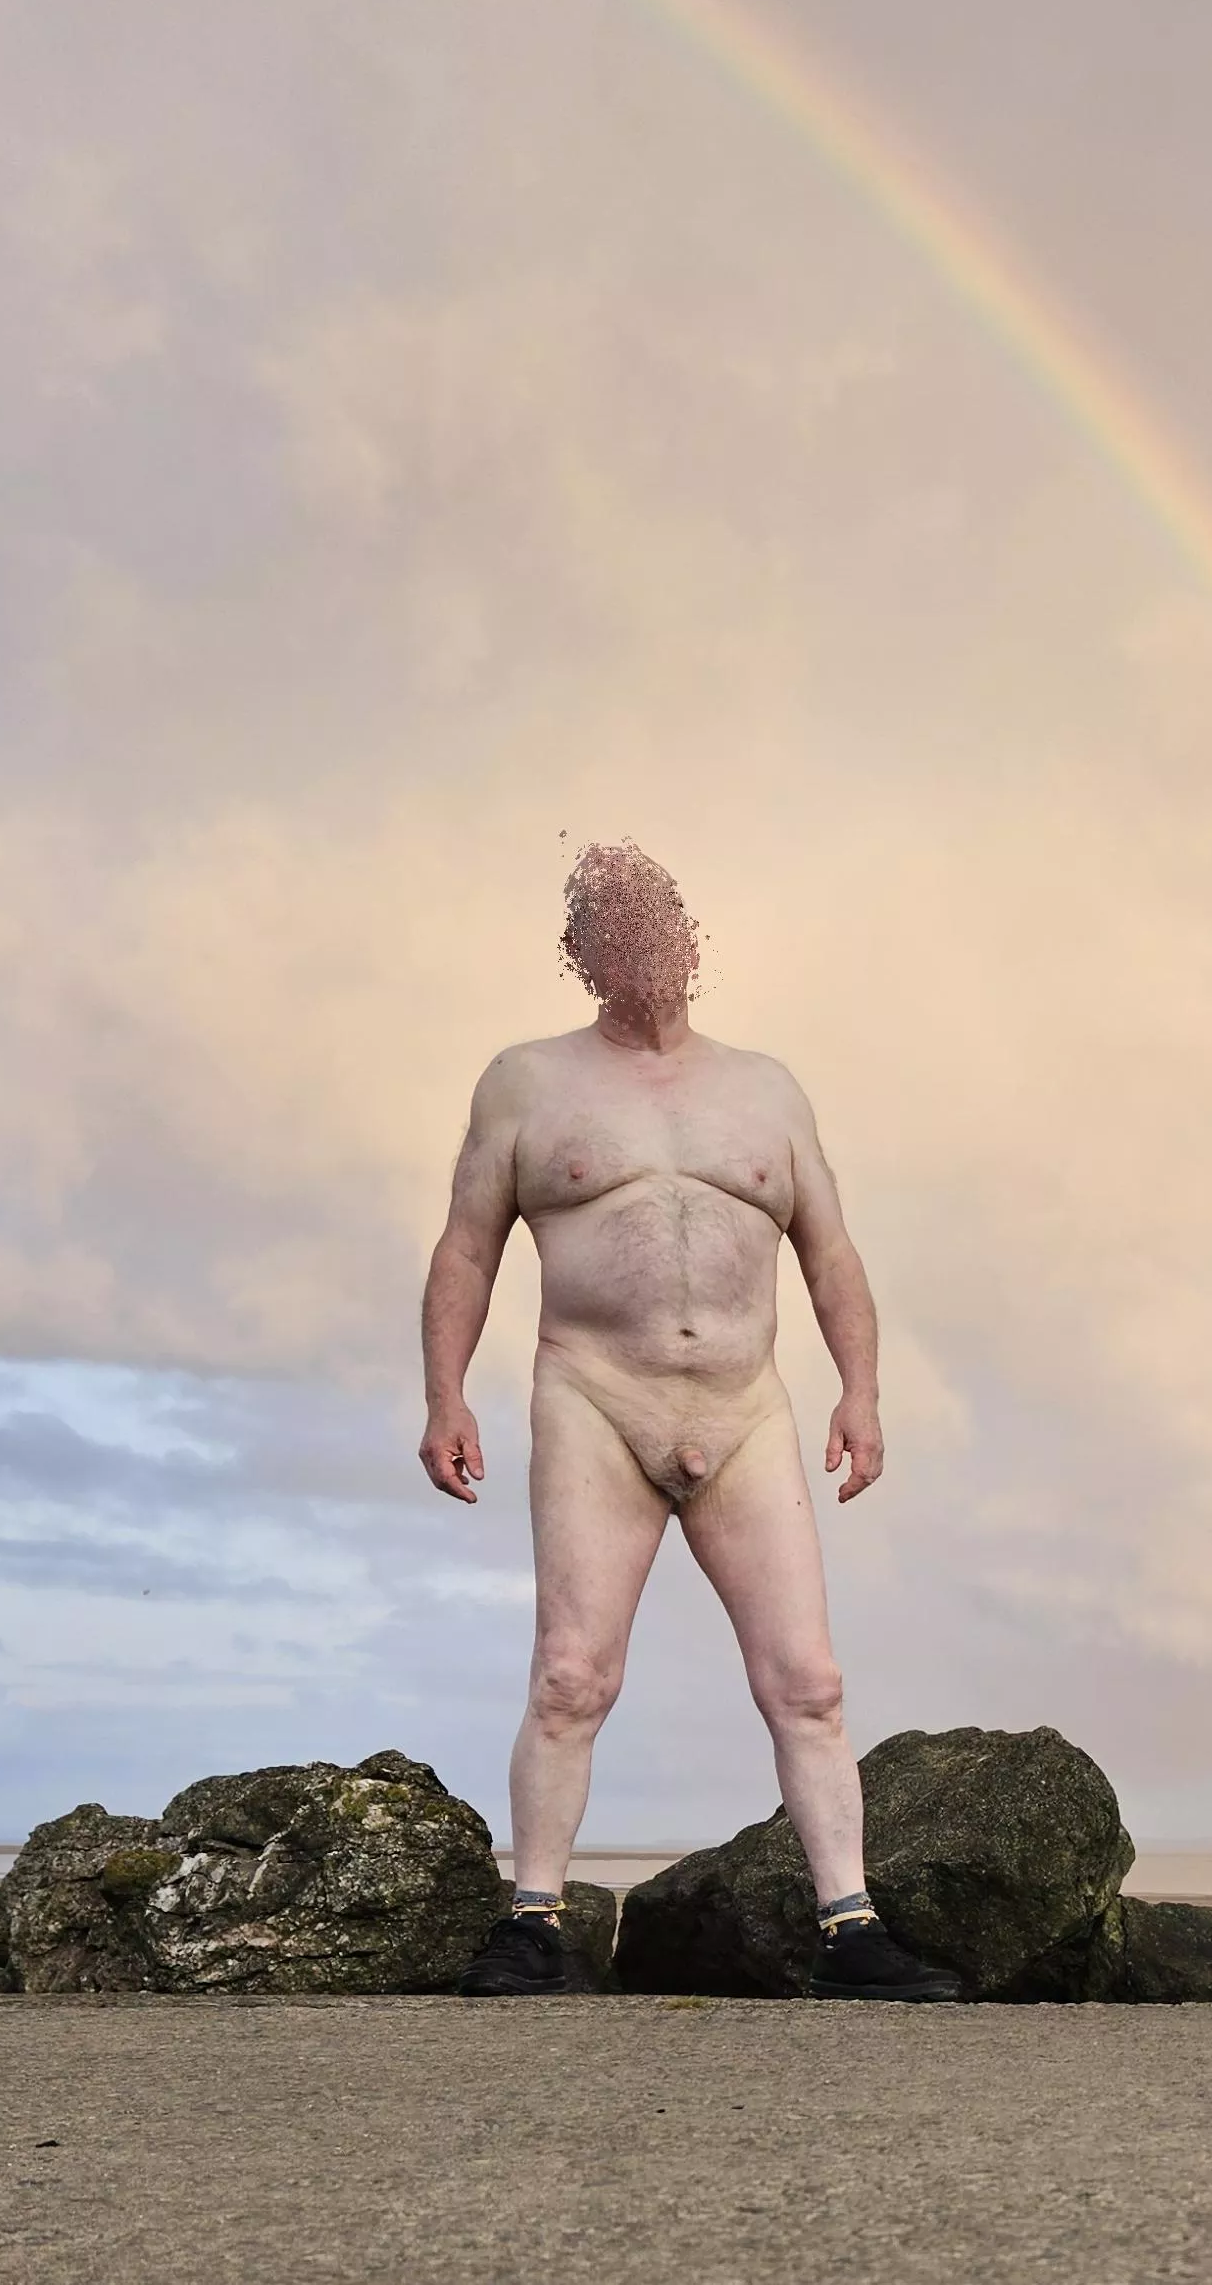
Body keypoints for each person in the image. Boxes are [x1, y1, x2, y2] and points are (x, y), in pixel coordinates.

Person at [419, 841, 957, 1999]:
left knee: (808, 1682)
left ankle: (852, 1929)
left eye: (654, 922)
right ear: (581, 952)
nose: (639, 946)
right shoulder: (525, 1081)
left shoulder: (766, 1089)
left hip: (745, 1410)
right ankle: (533, 1923)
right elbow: (467, 1248)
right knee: (571, 1676)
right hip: (594, 1399)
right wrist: (445, 1395)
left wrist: (861, 1391)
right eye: (610, 927)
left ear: (688, 939)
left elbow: (831, 1253)